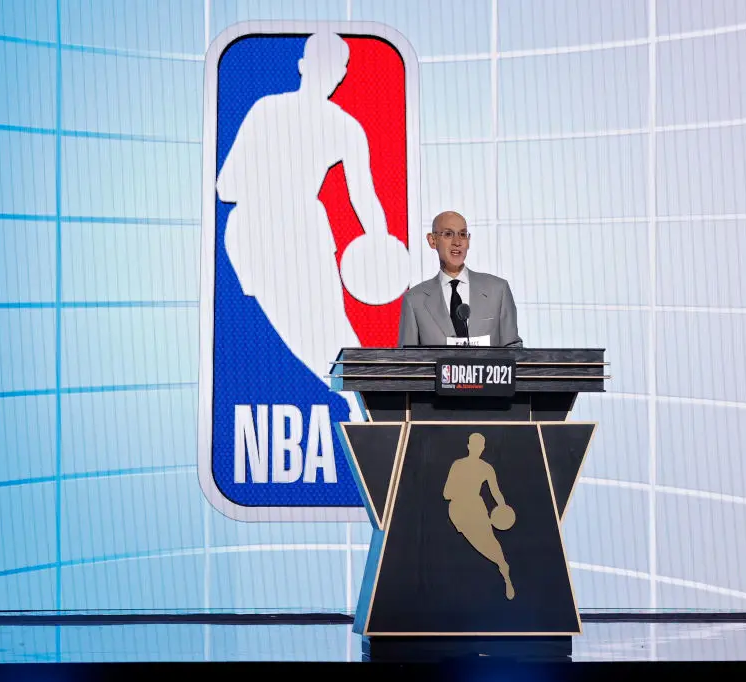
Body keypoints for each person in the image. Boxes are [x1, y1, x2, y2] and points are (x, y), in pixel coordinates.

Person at [216, 31, 407, 418]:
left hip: (284, 233)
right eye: (335, 68)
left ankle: (368, 412)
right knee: (314, 335)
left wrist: (382, 247)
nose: (334, 76)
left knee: (325, 333)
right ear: (331, 73)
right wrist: (380, 243)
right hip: (270, 234)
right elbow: (226, 187)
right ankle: (364, 410)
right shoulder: (313, 120)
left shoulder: (282, 114)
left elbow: (364, 198)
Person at [397, 211, 522, 347]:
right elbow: (408, 361)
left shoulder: (498, 290)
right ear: (433, 240)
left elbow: (513, 352)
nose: (457, 242)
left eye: (462, 235)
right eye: (448, 234)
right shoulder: (415, 300)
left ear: (468, 241)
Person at [443, 432, 515, 600]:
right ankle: (502, 566)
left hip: (474, 507)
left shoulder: (483, 468)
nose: (477, 449)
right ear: (471, 447)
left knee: (490, 542)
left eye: (478, 446)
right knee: (483, 543)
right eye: (475, 446)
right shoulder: (461, 465)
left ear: (481, 448)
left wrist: (502, 508)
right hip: (461, 510)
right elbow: (446, 493)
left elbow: (496, 493)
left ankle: (504, 571)